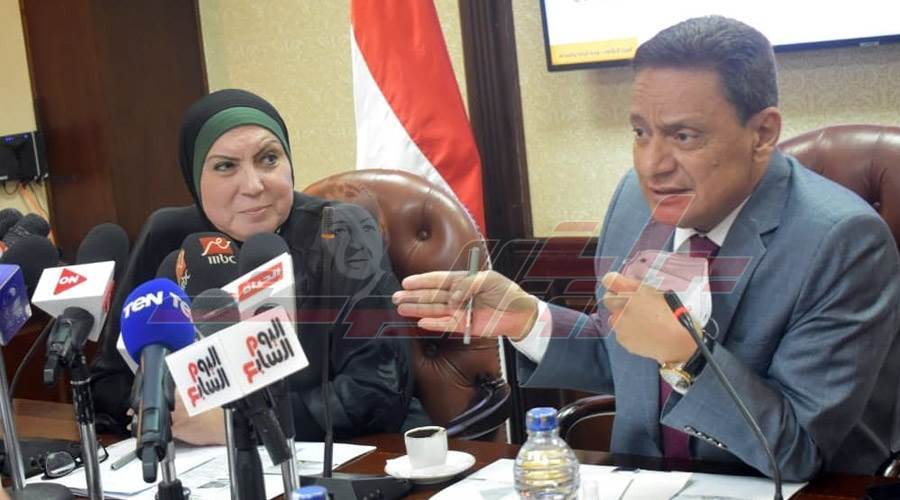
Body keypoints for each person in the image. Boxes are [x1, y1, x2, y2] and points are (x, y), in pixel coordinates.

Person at [393, 16, 900, 481]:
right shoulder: (636, 203)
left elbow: (798, 451)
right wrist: (528, 320)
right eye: (640, 132)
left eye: (684, 136)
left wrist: (687, 358)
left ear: (763, 133)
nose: (652, 165)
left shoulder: (843, 241)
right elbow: (630, 359)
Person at [90, 89, 416, 443]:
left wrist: (235, 426)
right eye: (225, 166)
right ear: (194, 177)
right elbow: (109, 383)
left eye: (268, 159)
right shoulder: (168, 238)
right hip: (193, 465)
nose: (253, 185)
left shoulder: (338, 230)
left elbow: (378, 390)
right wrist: (154, 407)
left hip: (352, 453)